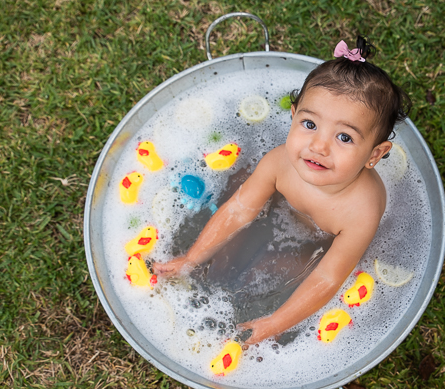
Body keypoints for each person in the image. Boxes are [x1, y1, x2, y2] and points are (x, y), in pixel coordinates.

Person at [153, 36, 412, 344]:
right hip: (279, 209)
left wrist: (275, 322)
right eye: (310, 125)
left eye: (344, 137)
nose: (319, 146)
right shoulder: (279, 163)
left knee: (263, 272)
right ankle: (201, 273)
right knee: (229, 235)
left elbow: (328, 278)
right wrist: (192, 258)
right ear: (292, 117)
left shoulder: (361, 210)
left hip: (314, 245)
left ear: (374, 155)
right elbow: (238, 210)